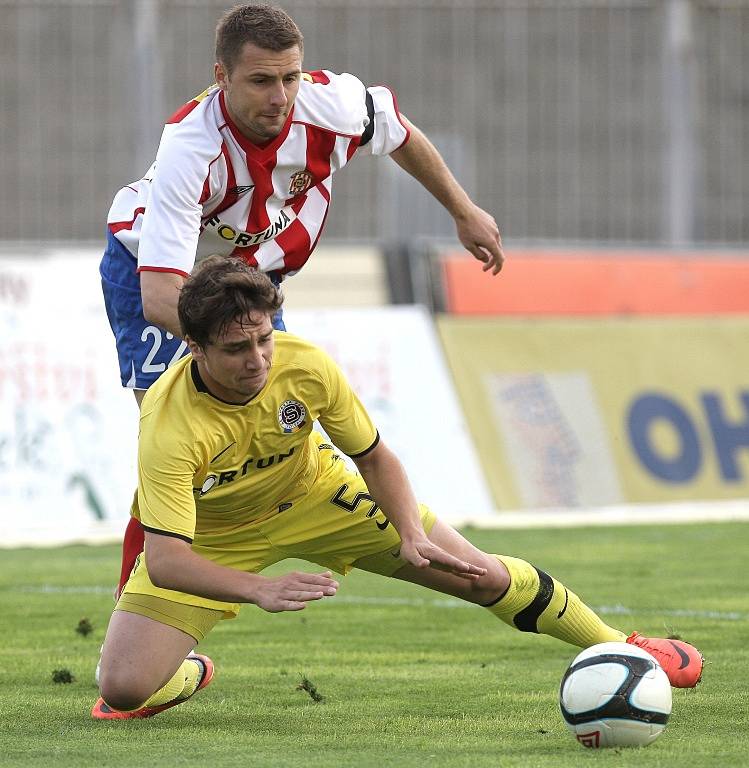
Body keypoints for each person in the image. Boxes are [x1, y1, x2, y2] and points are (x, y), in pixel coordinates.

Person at [92, 257, 702, 720]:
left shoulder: (303, 364)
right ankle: (189, 670)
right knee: (122, 691)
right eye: (235, 348)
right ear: (193, 347)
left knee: (481, 574)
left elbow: (375, 456)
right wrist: (259, 589)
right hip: (216, 539)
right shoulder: (169, 428)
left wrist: (410, 532)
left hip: (318, 497)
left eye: (263, 338)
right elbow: (168, 560)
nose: (257, 359)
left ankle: (625, 646)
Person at [100, 3, 504, 595]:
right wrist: (226, 343)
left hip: (252, 279)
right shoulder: (190, 148)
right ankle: (140, 614)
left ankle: (372, 528)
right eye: (261, 80)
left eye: (289, 77)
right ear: (222, 78)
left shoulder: (329, 104)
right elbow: (162, 294)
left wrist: (464, 211)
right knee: (174, 438)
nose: (280, 95)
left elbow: (399, 134)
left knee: (275, 427)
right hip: (159, 275)